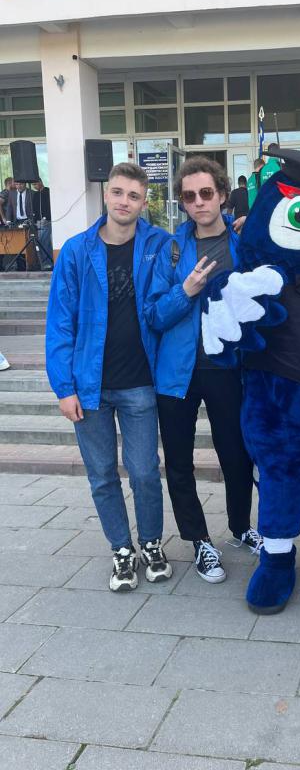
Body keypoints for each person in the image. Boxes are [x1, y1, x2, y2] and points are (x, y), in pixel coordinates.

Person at [45, 162, 172, 592]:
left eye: (133, 196)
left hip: (139, 382)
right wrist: (64, 388)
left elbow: (197, 241)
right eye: (118, 192)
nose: (124, 202)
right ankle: (121, 550)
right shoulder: (77, 251)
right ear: (106, 195)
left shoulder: (159, 244)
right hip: (89, 386)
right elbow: (60, 323)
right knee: (101, 474)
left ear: (144, 202)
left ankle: (151, 542)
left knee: (144, 471)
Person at [145, 155, 260, 584]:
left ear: (223, 194)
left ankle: (241, 527)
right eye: (189, 196)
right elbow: (154, 314)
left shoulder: (243, 243)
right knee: (179, 462)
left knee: (237, 455)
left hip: (228, 368)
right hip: (177, 373)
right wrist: (186, 290)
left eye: (206, 193)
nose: (199, 202)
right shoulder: (171, 249)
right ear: (182, 202)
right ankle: (199, 541)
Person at [31, 177, 53, 269]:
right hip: (38, 222)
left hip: (47, 221)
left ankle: (47, 262)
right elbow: (35, 208)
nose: (34, 186)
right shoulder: (35, 195)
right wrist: (35, 221)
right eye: (33, 185)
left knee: (44, 242)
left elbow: (50, 206)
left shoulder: (48, 191)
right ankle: (45, 262)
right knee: (41, 242)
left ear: (40, 182)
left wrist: (46, 217)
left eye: (35, 184)